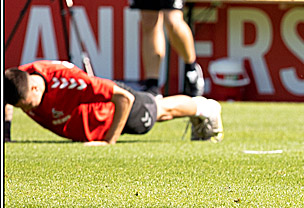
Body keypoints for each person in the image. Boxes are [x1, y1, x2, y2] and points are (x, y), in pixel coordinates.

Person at [4, 60, 223, 145]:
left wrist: (109, 141)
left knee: (159, 111)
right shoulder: (18, 78)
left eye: (25, 104)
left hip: (112, 113)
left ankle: (207, 108)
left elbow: (123, 98)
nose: (25, 109)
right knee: (159, 109)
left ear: (34, 88)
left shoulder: (70, 82)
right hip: (93, 122)